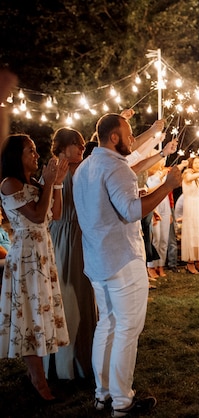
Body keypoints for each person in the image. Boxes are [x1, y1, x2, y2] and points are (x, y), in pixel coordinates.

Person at [73, 113, 182, 416]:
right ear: (114, 138)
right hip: (122, 258)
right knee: (127, 329)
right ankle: (122, 402)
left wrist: (140, 192)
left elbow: (114, 202)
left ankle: (102, 394)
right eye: (130, 134)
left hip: (97, 259)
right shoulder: (115, 167)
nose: (134, 140)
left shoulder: (85, 168)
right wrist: (168, 185)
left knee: (106, 325)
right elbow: (133, 211)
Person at [0, 134, 70, 401]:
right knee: (28, 317)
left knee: (40, 314)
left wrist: (57, 185)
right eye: (30, 150)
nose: (36, 155)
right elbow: (38, 215)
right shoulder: (9, 184)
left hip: (43, 254)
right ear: (16, 155)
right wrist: (49, 182)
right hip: (26, 258)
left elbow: (57, 214)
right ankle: (38, 381)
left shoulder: (33, 183)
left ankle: (38, 376)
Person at [45, 127, 97, 381]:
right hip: (60, 236)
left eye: (82, 144)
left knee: (82, 296)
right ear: (63, 146)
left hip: (80, 236)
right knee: (63, 297)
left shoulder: (84, 169)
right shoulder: (53, 169)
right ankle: (64, 365)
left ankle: (85, 359)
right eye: (77, 144)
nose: (81, 149)